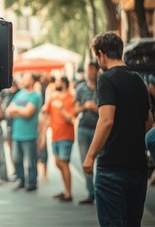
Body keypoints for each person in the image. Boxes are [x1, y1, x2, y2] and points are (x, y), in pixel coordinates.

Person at [83, 31, 152, 227]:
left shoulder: (105, 79)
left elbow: (106, 120)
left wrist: (90, 156)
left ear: (101, 54)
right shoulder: (138, 80)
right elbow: (148, 121)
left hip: (112, 167)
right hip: (138, 168)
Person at [5, 72, 42, 192]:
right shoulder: (20, 94)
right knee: (17, 159)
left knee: (31, 161)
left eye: (26, 78)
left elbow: (28, 113)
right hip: (17, 134)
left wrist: (16, 110)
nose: (23, 80)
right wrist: (19, 110)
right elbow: (8, 111)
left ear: (32, 81)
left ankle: (32, 183)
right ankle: (21, 181)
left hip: (29, 135)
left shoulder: (36, 95)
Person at [42, 76, 75, 202]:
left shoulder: (71, 98)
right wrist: (43, 134)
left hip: (66, 135)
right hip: (54, 135)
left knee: (63, 162)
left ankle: (69, 193)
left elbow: (71, 119)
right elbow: (46, 113)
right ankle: (66, 190)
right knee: (57, 162)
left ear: (64, 84)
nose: (55, 84)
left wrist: (62, 107)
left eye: (58, 82)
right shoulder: (53, 97)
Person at [74, 61, 100, 204]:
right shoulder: (80, 88)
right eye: (87, 69)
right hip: (84, 128)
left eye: (91, 69)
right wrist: (85, 107)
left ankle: (100, 192)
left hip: (99, 129)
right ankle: (91, 193)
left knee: (101, 160)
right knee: (86, 161)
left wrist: (94, 107)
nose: (89, 72)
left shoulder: (103, 87)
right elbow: (74, 110)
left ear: (97, 70)